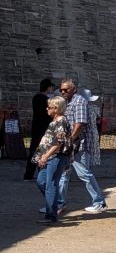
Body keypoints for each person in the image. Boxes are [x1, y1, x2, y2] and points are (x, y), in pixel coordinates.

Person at [57, 79, 108, 214]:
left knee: (84, 173)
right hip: (71, 145)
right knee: (63, 173)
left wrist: (70, 141)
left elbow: (80, 124)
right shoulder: (69, 102)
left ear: (74, 90)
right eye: (61, 89)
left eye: (66, 89)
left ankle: (99, 202)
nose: (63, 91)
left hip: (79, 144)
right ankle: (59, 203)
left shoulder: (79, 102)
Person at [33, 96, 72, 224]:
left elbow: (58, 142)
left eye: (49, 107)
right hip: (50, 157)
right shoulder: (55, 121)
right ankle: (59, 203)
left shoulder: (61, 121)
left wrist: (46, 155)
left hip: (56, 157)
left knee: (51, 184)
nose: (47, 109)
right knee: (41, 181)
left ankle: (51, 216)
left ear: (56, 108)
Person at [24, 78, 55, 181]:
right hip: (43, 128)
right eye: (51, 87)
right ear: (48, 87)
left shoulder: (36, 98)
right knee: (43, 151)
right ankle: (42, 174)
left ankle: (28, 174)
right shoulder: (44, 99)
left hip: (36, 127)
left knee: (34, 151)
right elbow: (48, 114)